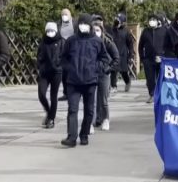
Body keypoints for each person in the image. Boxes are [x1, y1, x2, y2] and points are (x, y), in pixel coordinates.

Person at [60, 14, 109, 147]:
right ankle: (71, 137)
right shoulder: (71, 40)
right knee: (72, 109)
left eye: (85, 24)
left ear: (90, 26)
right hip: (73, 81)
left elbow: (105, 59)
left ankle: (84, 134)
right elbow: (63, 58)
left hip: (90, 81)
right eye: (81, 24)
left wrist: (95, 68)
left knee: (89, 111)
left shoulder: (97, 41)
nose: (83, 26)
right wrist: (69, 68)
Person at [93, 19, 120, 132]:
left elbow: (116, 58)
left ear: (102, 31)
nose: (95, 32)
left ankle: (105, 119)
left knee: (103, 99)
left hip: (104, 74)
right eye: (93, 30)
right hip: (92, 73)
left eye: (97, 30)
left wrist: (108, 69)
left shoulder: (107, 42)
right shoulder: (89, 42)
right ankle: (94, 120)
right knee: (92, 99)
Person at [37, 22, 63, 129]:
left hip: (57, 72)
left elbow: (65, 56)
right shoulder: (43, 42)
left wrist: (60, 66)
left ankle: (51, 119)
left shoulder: (61, 42)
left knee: (53, 96)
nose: (50, 33)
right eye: (48, 31)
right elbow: (39, 56)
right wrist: (40, 66)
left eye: (52, 31)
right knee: (41, 94)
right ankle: (48, 112)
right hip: (44, 72)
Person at [139, 13, 166, 104]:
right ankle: (152, 94)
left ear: (158, 21)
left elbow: (168, 45)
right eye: (150, 20)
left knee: (160, 78)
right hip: (148, 59)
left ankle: (160, 95)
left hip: (161, 59)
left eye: (154, 20)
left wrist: (163, 56)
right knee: (150, 79)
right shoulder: (146, 31)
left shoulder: (164, 30)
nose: (152, 21)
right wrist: (142, 58)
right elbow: (140, 45)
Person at [109, 12, 135, 93]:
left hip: (123, 54)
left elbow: (130, 45)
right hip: (113, 54)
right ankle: (113, 86)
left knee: (124, 71)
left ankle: (127, 82)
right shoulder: (112, 30)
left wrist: (131, 55)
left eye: (119, 21)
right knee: (113, 71)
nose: (117, 22)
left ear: (123, 22)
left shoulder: (126, 32)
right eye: (116, 20)